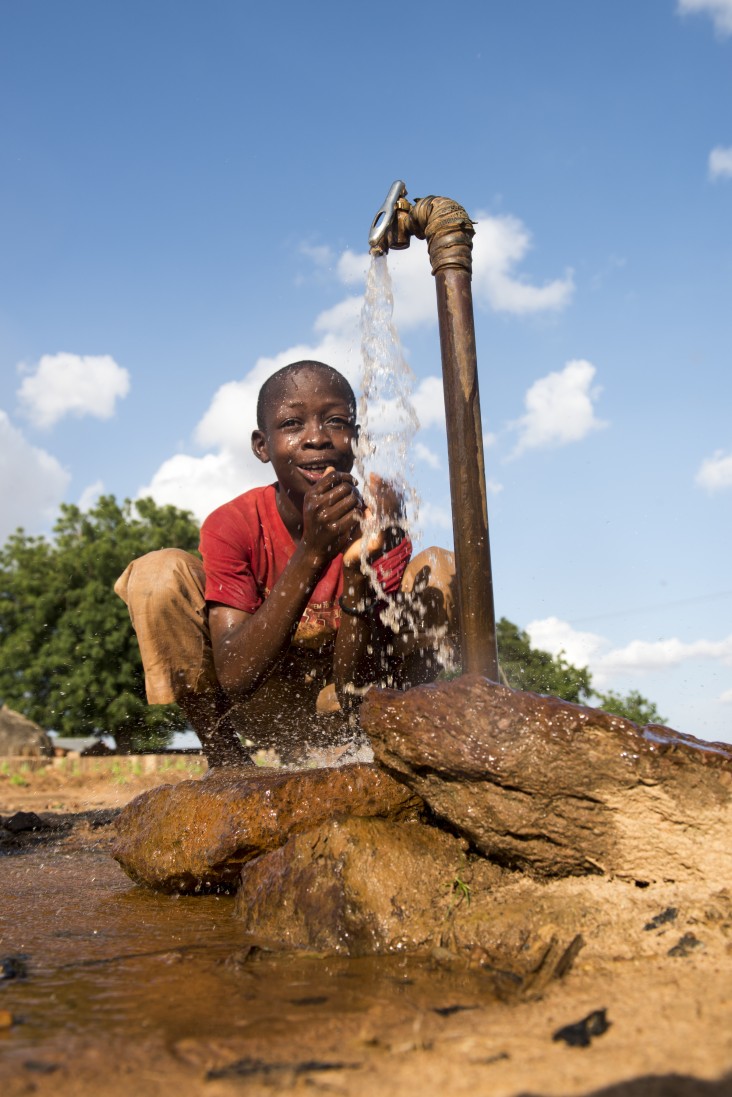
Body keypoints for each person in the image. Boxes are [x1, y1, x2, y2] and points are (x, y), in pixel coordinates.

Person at [115, 360, 457, 766]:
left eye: (335, 421)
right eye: (293, 424)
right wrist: (313, 552)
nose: (316, 438)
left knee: (443, 566)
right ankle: (226, 760)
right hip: (262, 703)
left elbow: (357, 686)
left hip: (348, 704)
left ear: (356, 440)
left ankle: (392, 745)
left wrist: (356, 574)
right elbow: (236, 676)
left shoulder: (376, 526)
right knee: (159, 574)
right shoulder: (235, 524)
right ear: (262, 446)